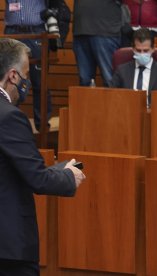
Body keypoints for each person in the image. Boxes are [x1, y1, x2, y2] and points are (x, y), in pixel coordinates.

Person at [0, 38, 86, 275]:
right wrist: (69, 176)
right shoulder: (10, 117)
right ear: (13, 76)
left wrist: (57, 169)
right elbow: (37, 179)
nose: (28, 81)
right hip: (9, 248)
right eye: (27, 73)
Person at [4, 0, 53, 130]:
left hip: (36, 33)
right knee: (8, 80)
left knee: (40, 82)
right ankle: (9, 122)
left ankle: (42, 125)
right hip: (12, 32)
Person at [111, 28, 157, 105]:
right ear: (133, 49)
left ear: (153, 49)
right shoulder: (121, 71)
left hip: (154, 114)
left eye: (146, 51)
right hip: (126, 113)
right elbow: (112, 97)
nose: (142, 54)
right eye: (138, 51)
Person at [72, 0, 122, 87]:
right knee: (84, 81)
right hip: (81, 30)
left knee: (110, 80)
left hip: (105, 31)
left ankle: (112, 101)